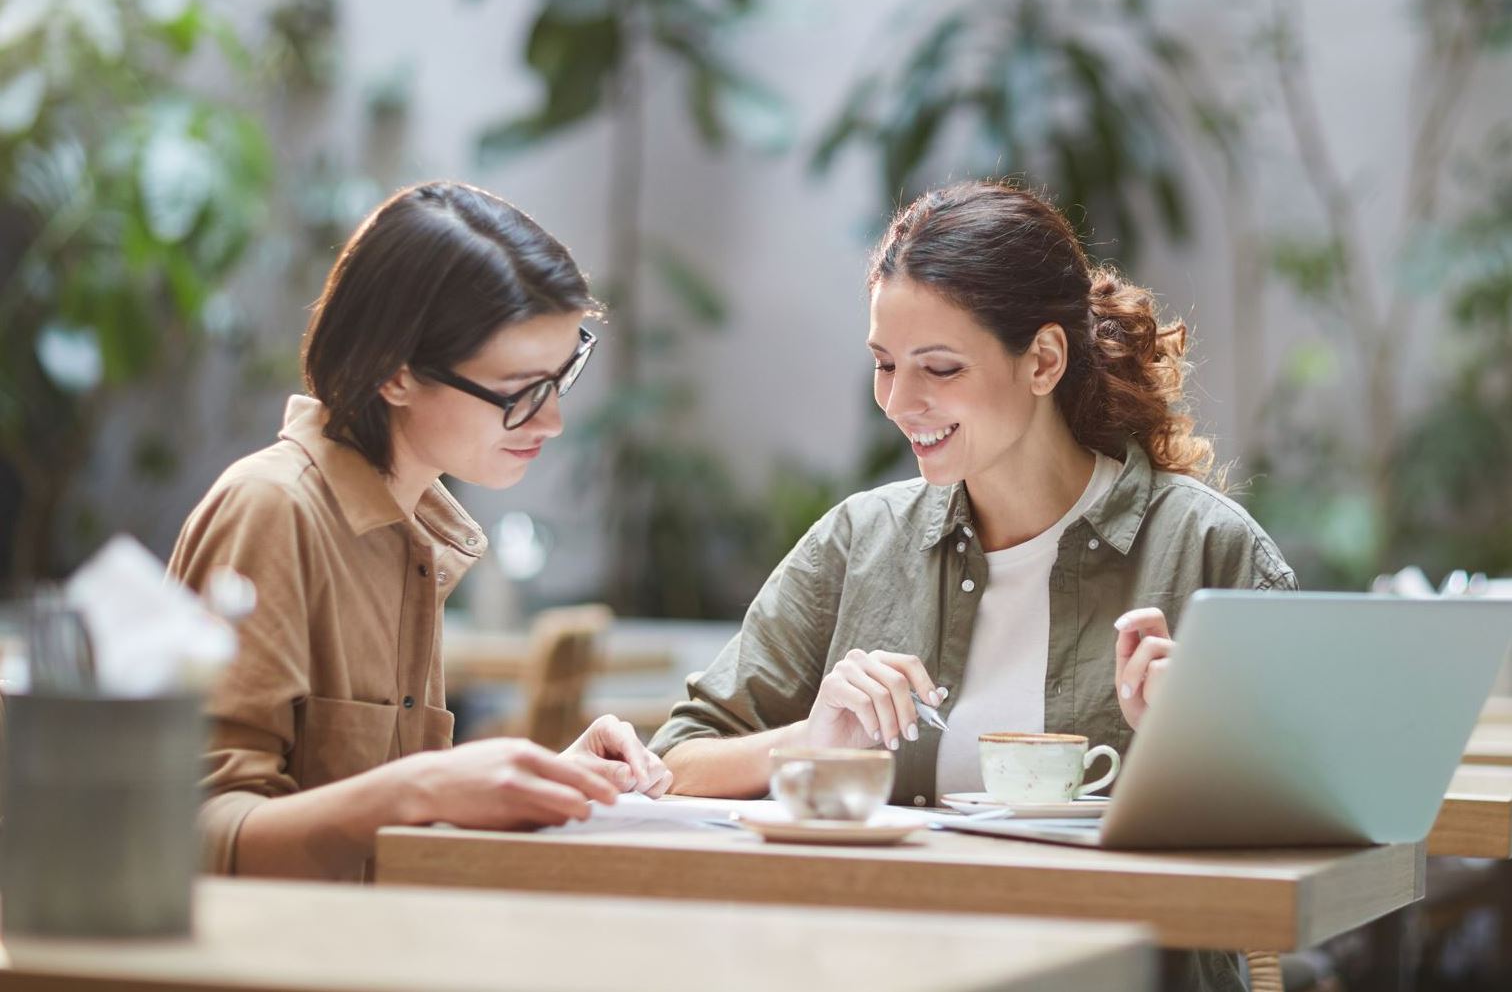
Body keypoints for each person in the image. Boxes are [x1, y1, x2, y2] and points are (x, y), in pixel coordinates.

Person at [649, 180, 1296, 992]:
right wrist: (810, 742)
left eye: (941, 367)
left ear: (1045, 360)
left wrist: (1191, 752)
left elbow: (1307, 847)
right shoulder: (858, 543)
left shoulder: (1206, 550)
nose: (900, 402)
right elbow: (671, 764)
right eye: (885, 365)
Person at [170, 181, 670, 881]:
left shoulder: (415, 529)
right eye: (521, 391)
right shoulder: (272, 510)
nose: (552, 420)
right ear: (395, 374)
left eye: (562, 376)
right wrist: (425, 788)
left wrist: (540, 778)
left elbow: (368, 821)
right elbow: (190, 831)